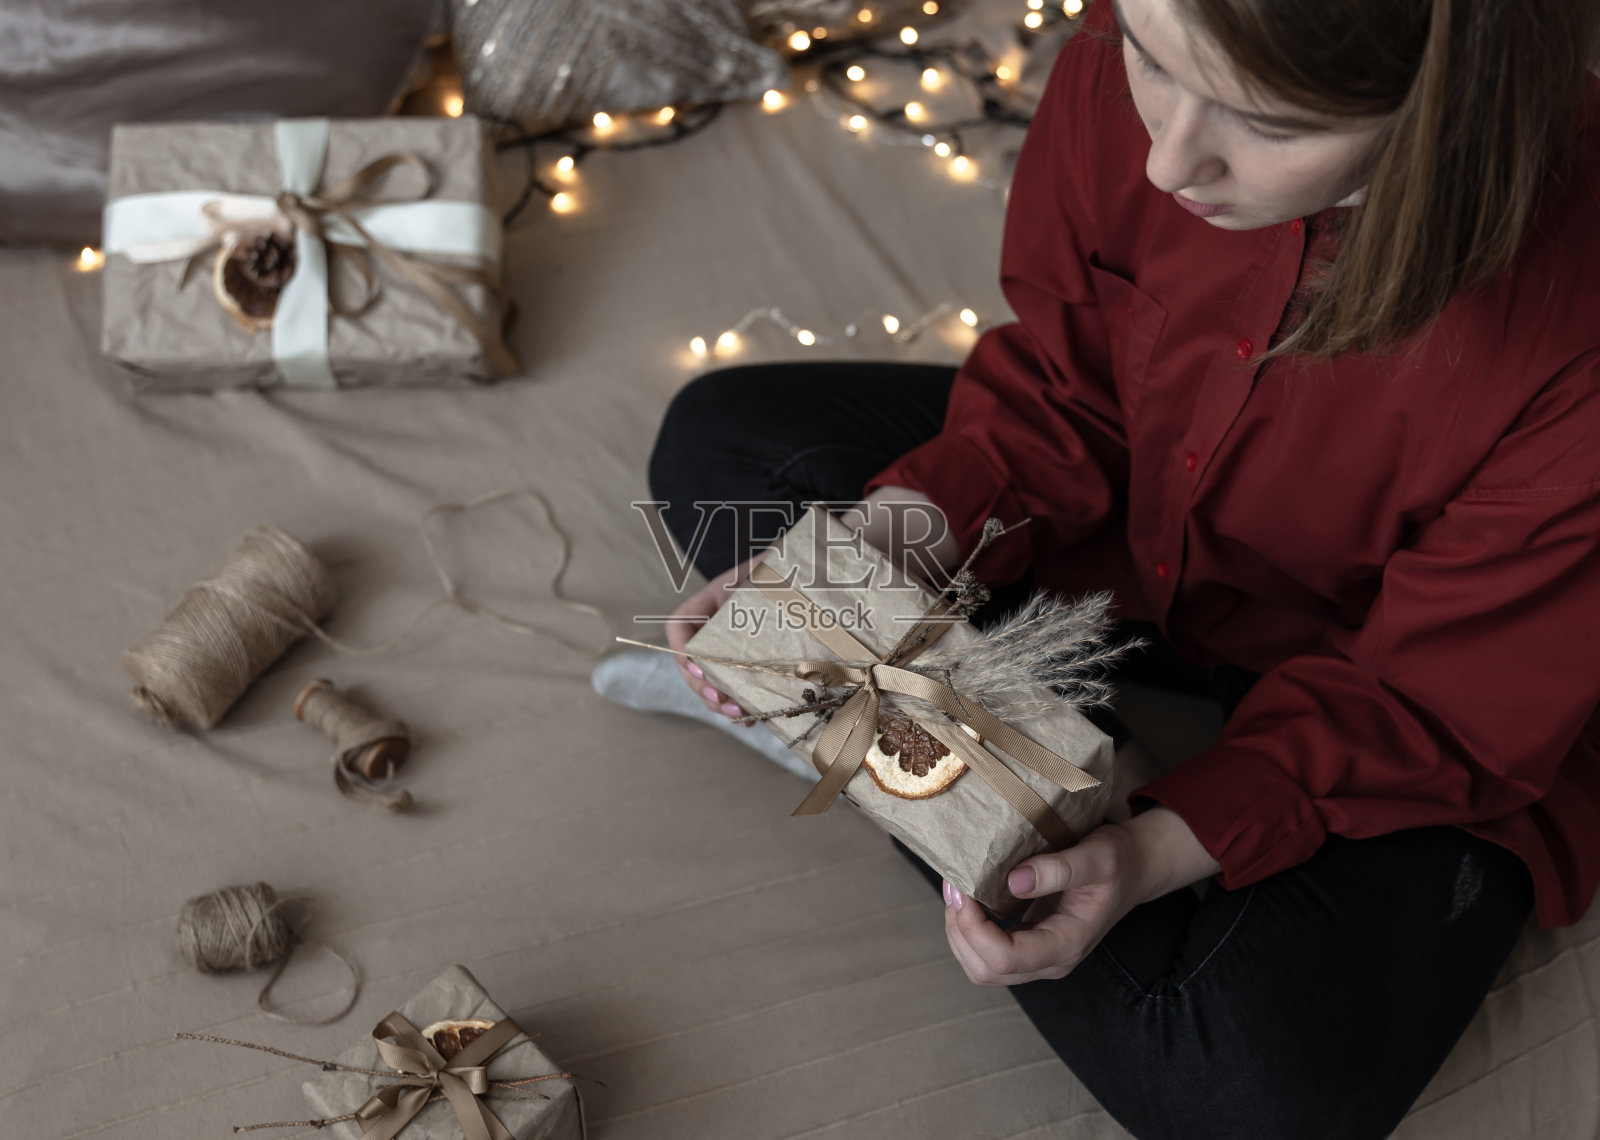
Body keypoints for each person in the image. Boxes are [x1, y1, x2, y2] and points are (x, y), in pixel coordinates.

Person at [645, 0, 1600, 1135]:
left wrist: (1151, 848)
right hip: (1138, 540)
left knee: (1248, 1095)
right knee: (726, 445)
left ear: (1443, 103)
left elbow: (1440, 702)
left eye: (1266, 124)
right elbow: (1069, 388)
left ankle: (937, 743)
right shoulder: (1138, 33)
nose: (1166, 160)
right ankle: (998, 753)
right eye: (1150, 62)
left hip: (1394, 691)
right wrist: (863, 565)